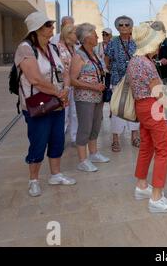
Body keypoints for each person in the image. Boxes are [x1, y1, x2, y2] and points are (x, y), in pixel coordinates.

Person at [15, 12, 76, 197]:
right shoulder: (25, 49)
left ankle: (55, 174)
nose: (52, 28)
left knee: (57, 139)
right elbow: (35, 79)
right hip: (39, 103)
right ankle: (33, 179)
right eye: (48, 25)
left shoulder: (53, 48)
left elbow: (64, 71)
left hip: (56, 102)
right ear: (37, 29)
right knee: (38, 141)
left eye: (51, 24)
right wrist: (59, 92)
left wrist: (65, 87)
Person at [129, 23, 167, 213]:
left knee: (147, 146)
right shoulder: (146, 64)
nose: (159, 46)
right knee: (164, 149)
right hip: (151, 106)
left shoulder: (134, 61)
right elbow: (158, 92)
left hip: (141, 106)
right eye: (157, 42)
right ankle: (157, 197)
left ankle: (141, 185)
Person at [70, 23, 110, 172]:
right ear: (86, 37)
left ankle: (93, 153)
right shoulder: (78, 55)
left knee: (95, 126)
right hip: (85, 97)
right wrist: (93, 87)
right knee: (85, 128)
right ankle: (82, 160)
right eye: (94, 34)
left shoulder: (94, 53)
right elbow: (73, 79)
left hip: (97, 96)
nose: (97, 36)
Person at [105, 16, 140, 152]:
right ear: (117, 27)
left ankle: (134, 136)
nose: (124, 27)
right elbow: (107, 58)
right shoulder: (113, 42)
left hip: (133, 80)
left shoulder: (136, 42)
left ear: (131, 27)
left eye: (127, 25)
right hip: (117, 80)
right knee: (116, 109)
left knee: (134, 108)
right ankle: (115, 139)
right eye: (121, 25)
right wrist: (111, 70)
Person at [151, 21, 167, 136]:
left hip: (165, 74)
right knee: (155, 100)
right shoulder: (149, 42)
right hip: (153, 76)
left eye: (159, 30)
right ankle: (156, 125)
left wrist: (166, 61)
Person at [57, 24, 78, 145]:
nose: (77, 35)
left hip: (74, 85)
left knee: (74, 113)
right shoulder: (58, 48)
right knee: (64, 114)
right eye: (75, 32)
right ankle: (61, 140)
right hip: (64, 86)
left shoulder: (74, 48)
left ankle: (74, 137)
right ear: (68, 34)